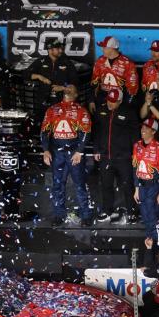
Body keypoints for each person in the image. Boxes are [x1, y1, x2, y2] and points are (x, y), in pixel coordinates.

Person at [41, 84, 93, 227]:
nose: (69, 89)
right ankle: (58, 214)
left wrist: (79, 151)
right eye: (67, 88)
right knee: (57, 185)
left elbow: (86, 133)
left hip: (74, 152)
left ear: (76, 94)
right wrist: (45, 150)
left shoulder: (81, 111)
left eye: (72, 89)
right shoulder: (52, 109)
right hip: (57, 153)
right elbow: (44, 131)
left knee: (80, 185)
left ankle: (86, 215)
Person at [93, 88, 139, 224]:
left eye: (113, 102)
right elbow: (96, 132)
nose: (110, 103)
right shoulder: (101, 110)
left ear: (120, 101)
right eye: (109, 100)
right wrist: (96, 149)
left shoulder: (129, 112)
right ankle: (107, 211)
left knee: (127, 185)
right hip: (105, 156)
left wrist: (135, 153)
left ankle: (131, 212)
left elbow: (135, 135)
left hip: (124, 157)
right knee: (106, 185)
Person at [133, 118, 159, 240]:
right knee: (145, 216)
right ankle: (151, 240)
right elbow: (135, 168)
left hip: (154, 187)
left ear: (154, 131)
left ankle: (158, 242)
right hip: (142, 186)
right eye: (142, 127)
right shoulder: (137, 145)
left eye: (146, 128)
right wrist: (136, 188)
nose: (143, 130)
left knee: (154, 217)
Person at [26, 38, 79, 125]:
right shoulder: (41, 61)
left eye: (60, 48)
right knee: (42, 124)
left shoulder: (67, 63)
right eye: (57, 48)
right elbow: (26, 74)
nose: (60, 50)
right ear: (50, 50)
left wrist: (62, 88)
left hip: (61, 101)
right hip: (43, 100)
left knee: (60, 124)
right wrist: (39, 77)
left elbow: (75, 82)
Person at [89, 36, 138, 114]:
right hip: (102, 99)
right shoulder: (100, 61)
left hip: (119, 101)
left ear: (111, 48)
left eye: (104, 47)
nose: (102, 49)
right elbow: (94, 82)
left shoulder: (128, 63)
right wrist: (91, 100)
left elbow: (132, 88)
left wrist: (126, 105)